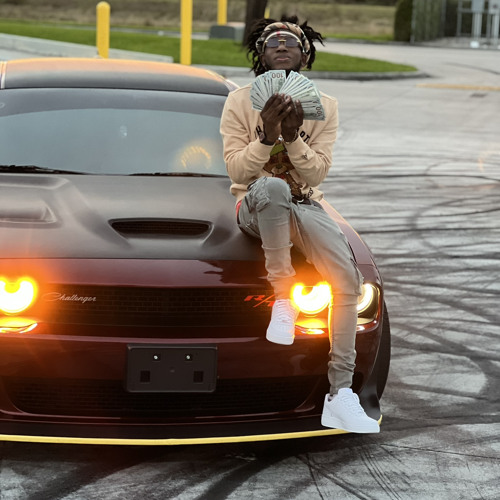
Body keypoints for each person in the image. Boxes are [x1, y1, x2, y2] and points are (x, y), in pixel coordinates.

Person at [220, 15, 379, 434]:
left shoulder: (325, 107)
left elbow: (317, 174)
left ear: (304, 56)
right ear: (261, 55)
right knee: (272, 186)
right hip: (255, 204)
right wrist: (266, 136)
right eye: (272, 40)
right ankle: (283, 300)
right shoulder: (238, 102)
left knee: (346, 278)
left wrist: (292, 138)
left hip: (304, 204)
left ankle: (340, 394)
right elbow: (237, 171)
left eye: (290, 41)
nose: (281, 44)